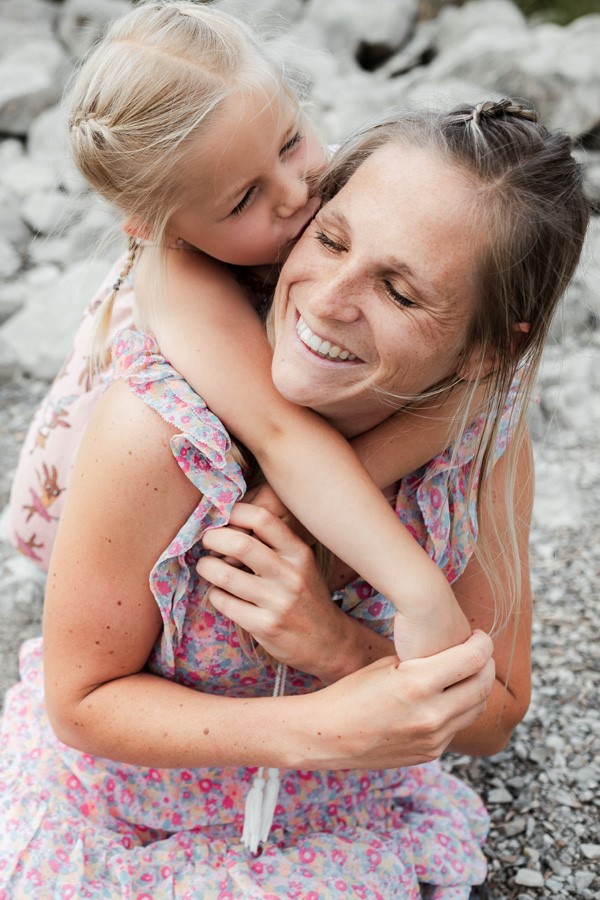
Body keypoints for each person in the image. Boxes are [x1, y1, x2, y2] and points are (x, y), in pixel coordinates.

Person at [0, 97, 588, 897]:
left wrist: (337, 646)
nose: (327, 300)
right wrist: (316, 729)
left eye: (400, 292)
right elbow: (79, 704)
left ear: (490, 347)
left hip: (341, 831)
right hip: (126, 829)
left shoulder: (477, 448)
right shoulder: (162, 433)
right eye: (331, 239)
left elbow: (495, 717)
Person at [6, 0, 474, 664]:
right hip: (100, 513)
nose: (294, 193)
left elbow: (480, 387)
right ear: (156, 226)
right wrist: (422, 595)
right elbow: (281, 435)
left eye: (289, 142)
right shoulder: (181, 283)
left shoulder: (308, 180)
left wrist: (285, 501)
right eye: (243, 199)